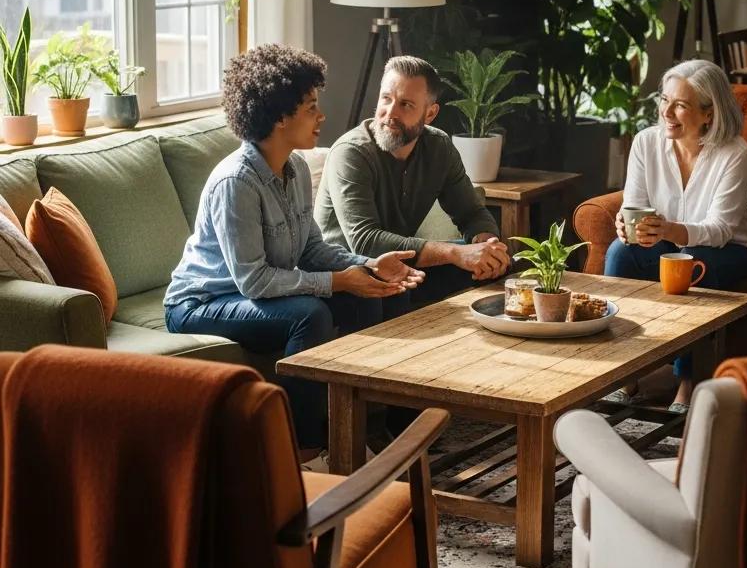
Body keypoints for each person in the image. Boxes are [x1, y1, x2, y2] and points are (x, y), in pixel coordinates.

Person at [164, 44, 423, 462]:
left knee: (367, 296)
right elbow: (255, 280)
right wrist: (339, 281)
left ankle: (357, 434)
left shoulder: (297, 168)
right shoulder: (237, 183)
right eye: (310, 107)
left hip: (249, 294)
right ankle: (299, 450)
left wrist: (368, 266)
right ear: (281, 116)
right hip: (202, 302)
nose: (321, 116)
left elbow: (311, 248)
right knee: (310, 313)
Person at [604, 59, 747, 412]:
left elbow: (720, 229)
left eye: (681, 105)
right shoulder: (646, 143)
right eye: (664, 100)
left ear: (709, 113)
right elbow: (635, 205)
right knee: (620, 252)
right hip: (673, 243)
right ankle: (624, 372)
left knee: (692, 263)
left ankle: (689, 379)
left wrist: (667, 230)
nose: (667, 112)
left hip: (733, 249)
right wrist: (628, 227)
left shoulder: (734, 153)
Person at [315, 55, 509, 311]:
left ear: (430, 113)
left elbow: (471, 213)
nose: (390, 113)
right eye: (386, 98)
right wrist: (454, 253)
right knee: (396, 288)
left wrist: (487, 246)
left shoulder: (438, 147)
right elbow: (365, 242)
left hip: (402, 265)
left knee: (501, 266)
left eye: (405, 104)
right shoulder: (351, 153)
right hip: (348, 272)